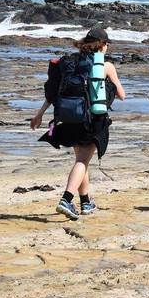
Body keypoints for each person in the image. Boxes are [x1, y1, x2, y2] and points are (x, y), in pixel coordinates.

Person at [31, 27, 126, 220]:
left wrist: (39, 115)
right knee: (82, 161)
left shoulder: (68, 62)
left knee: (81, 160)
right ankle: (66, 199)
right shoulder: (105, 66)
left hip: (68, 117)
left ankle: (86, 203)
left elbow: (52, 93)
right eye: (107, 44)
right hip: (92, 119)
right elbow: (122, 95)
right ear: (103, 45)